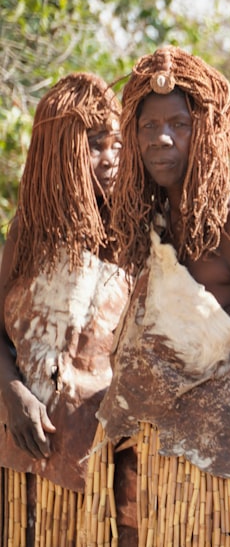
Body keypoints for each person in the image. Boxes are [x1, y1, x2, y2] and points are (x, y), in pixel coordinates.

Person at [96, 46, 230, 546]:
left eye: (179, 125)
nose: (161, 138)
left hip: (222, 482)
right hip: (140, 468)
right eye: (148, 127)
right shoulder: (139, 224)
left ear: (206, 131)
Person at [0, 72, 129, 546]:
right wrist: (13, 394)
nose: (111, 159)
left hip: (98, 464)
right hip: (17, 450)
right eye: (96, 145)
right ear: (61, 152)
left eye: (117, 143)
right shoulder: (29, 234)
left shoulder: (137, 235)